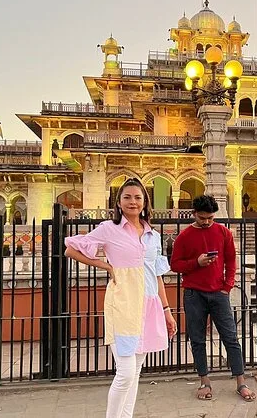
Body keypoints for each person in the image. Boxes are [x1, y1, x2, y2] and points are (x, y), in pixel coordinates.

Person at [64, 178, 177, 418]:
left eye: (137, 197)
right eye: (127, 197)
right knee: (125, 373)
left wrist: (167, 310)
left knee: (135, 371)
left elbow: (156, 275)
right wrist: (105, 265)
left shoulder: (153, 236)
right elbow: (71, 249)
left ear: (145, 202)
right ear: (118, 202)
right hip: (123, 305)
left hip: (149, 304)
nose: (132, 202)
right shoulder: (109, 229)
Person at [170, 195, 256, 402]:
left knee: (231, 338)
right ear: (194, 214)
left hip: (218, 293)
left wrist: (227, 286)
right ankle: (204, 381)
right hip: (194, 294)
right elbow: (175, 265)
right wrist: (196, 262)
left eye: (210, 218)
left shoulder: (223, 232)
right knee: (197, 339)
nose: (207, 222)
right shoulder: (184, 236)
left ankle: (241, 382)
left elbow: (231, 261)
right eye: (202, 218)